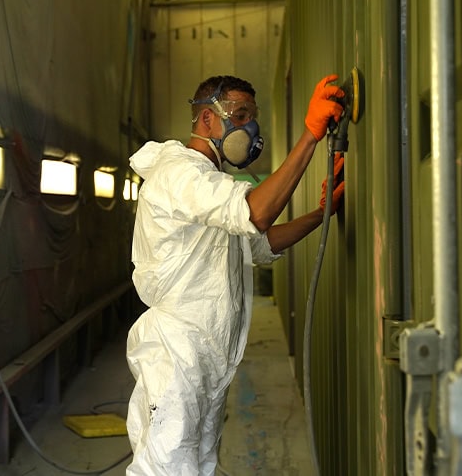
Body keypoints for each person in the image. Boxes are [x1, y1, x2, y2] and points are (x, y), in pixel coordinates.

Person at [124, 74, 345, 476]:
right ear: (207, 119)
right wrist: (310, 137)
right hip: (177, 357)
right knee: (166, 467)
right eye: (239, 115)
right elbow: (253, 214)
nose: (249, 128)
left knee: (200, 464)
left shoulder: (210, 185)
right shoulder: (181, 175)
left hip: (206, 356)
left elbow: (257, 243)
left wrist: (320, 213)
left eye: (252, 117)